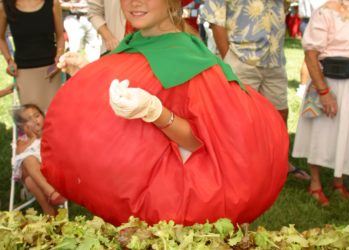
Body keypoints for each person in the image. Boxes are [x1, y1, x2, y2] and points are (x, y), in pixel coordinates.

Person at [42, 0, 288, 226]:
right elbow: (126, 97)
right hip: (130, 205)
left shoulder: (189, 60)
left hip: (167, 212)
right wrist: (87, 74)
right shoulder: (133, 43)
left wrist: (156, 112)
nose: (134, 2)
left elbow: (201, 143)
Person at [202, 0, 310, 181]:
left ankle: (280, 163)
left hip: (274, 58)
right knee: (240, 117)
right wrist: (228, 58)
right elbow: (216, 21)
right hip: (240, 58)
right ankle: (239, 166)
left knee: (280, 112)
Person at [292, 0, 349, 206]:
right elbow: (310, 55)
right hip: (328, 81)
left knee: (345, 133)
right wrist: (323, 91)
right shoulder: (324, 12)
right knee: (319, 133)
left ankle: (338, 181)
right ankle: (315, 184)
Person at [0, 0, 65, 113]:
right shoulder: (6, 6)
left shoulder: (53, 3)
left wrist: (59, 57)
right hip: (24, 71)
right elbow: (1, 38)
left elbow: (60, 37)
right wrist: (9, 60)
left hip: (51, 71)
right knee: (33, 121)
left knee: (55, 117)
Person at [13, 104, 66, 215]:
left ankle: (50, 212)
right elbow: (19, 153)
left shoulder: (51, 132)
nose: (35, 121)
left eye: (37, 116)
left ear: (43, 116)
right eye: (28, 120)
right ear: (23, 127)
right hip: (35, 174)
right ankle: (51, 194)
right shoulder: (24, 140)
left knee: (30, 180)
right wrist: (32, 138)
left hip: (52, 171)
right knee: (28, 159)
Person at [297, 0, 327, 98]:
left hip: (308, 19)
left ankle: (304, 87)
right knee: (311, 56)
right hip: (314, 19)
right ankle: (303, 87)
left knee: (310, 56)